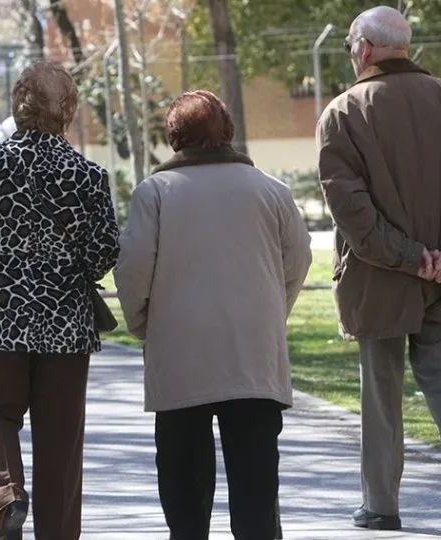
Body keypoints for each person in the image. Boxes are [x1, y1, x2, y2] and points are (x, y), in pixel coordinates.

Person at [316, 6, 441, 540]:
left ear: (362, 48)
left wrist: (410, 256)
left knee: (381, 391)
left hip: (378, 279)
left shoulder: (343, 112)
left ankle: (381, 505)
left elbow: (351, 210)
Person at [114, 90, 313, 540]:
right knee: (256, 484)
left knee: (183, 483)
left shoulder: (155, 193)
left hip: (180, 351)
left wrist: (144, 323)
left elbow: (133, 267)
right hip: (253, 351)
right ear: (228, 131)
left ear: (173, 137)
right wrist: (272, 310)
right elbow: (298, 258)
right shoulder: (271, 190)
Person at [0, 61, 119, 540]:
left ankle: (5, 496)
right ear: (69, 111)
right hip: (64, 323)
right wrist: (69, 272)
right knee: (61, 438)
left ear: (18, 105)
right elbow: (104, 249)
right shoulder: (87, 176)